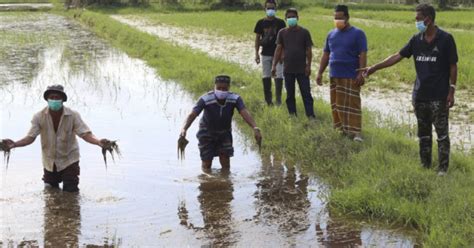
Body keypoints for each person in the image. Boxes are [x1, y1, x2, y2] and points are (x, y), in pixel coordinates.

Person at [360, 4, 458, 175]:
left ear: (428, 19)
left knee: (442, 135)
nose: (416, 22)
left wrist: (452, 90)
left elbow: (453, 66)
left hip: (439, 97)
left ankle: (442, 169)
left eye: (418, 19)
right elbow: (397, 56)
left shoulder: (446, 39)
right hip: (420, 96)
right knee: (424, 134)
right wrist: (375, 67)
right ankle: (425, 166)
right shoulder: (416, 39)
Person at [3, 85, 111, 191]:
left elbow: (85, 134)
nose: (54, 100)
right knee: (50, 191)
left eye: (57, 97)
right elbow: (30, 137)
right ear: (47, 99)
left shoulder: (73, 115)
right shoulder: (39, 117)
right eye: (52, 97)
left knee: (71, 191)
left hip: (69, 160)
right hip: (49, 162)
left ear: (62, 99)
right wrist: (15, 144)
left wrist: (98, 142)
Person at [180, 75, 262, 170]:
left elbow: (244, 112)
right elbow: (192, 115)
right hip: (206, 132)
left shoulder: (235, 98)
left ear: (229, 88)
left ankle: (225, 180)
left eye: (224, 89)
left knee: (225, 162)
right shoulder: (205, 99)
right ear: (214, 87)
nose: (222, 91)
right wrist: (184, 129)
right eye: (219, 88)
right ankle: (208, 182)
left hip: (224, 132)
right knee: (206, 163)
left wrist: (255, 128)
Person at [316, 5, 367, 141]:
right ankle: (342, 130)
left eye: (340, 17)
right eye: (335, 17)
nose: (337, 20)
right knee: (337, 104)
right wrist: (320, 72)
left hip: (351, 74)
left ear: (347, 17)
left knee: (353, 104)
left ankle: (356, 133)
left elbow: (363, 54)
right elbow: (326, 55)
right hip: (334, 74)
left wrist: (361, 73)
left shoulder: (358, 33)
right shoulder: (331, 34)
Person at [272, 8, 316, 118]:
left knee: (306, 93)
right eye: (289, 17)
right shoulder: (282, 33)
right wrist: (274, 65)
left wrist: (308, 66)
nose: (291, 19)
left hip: (302, 69)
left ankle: (310, 115)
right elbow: (278, 49)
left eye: (293, 17)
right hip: (288, 69)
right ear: (286, 19)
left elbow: (308, 51)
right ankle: (292, 115)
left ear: (298, 18)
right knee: (290, 94)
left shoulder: (304, 32)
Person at [254, 0, 286, 106]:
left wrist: (282, 54)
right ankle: (268, 101)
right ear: (265, 9)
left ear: (276, 9)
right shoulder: (260, 23)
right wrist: (256, 53)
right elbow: (257, 39)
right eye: (268, 8)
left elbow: (284, 40)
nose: (270, 10)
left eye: (272, 8)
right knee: (266, 76)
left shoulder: (281, 23)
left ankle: (278, 101)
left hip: (278, 55)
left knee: (279, 76)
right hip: (265, 54)